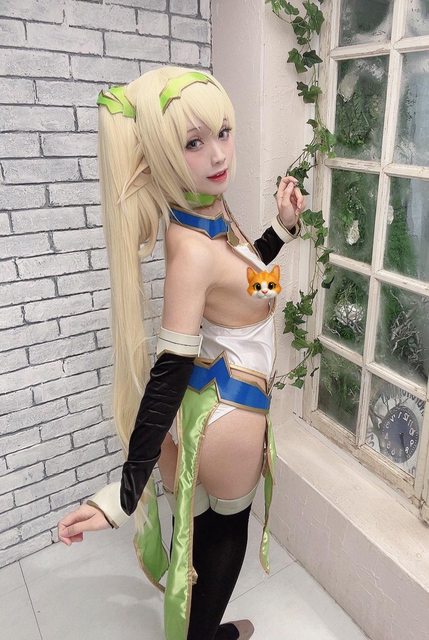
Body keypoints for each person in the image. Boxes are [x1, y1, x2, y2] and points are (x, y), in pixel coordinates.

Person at [57, 66, 305, 640]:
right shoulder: (193, 248)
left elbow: (241, 282)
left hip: (201, 411)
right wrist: (122, 497)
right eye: (193, 143)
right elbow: (167, 373)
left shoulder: (205, 211)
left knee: (195, 547)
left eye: (223, 132)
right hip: (229, 415)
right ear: (160, 155)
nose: (218, 154)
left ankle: (200, 633)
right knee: (224, 541)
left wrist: (281, 229)